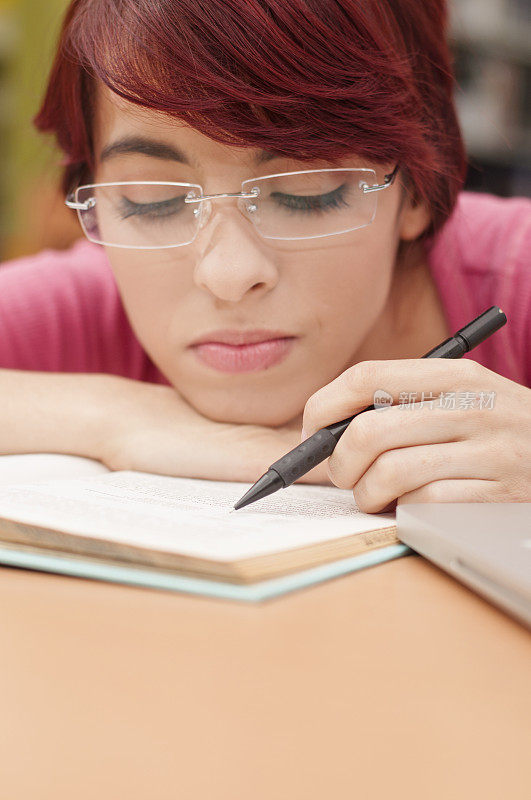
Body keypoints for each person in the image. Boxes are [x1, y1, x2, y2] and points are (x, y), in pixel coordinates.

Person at [0, 0, 529, 509]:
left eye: (305, 193)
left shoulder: (517, 273)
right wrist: (119, 417)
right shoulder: (87, 305)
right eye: (153, 201)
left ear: (416, 185)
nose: (229, 274)